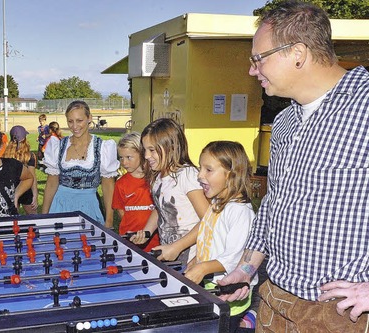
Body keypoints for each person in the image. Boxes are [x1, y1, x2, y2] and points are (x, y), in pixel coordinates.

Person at [219, 2, 369, 331]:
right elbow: (274, 202)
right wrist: (246, 268)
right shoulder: (285, 121)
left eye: (259, 58)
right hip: (274, 299)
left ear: (297, 53)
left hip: (338, 313)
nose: (252, 70)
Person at [185, 141, 257, 332]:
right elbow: (209, 236)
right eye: (201, 168)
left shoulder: (240, 212)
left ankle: (248, 320)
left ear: (232, 174)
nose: (200, 175)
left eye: (208, 170)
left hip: (229, 293)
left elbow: (236, 258)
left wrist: (204, 267)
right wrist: (197, 260)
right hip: (211, 285)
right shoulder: (217, 203)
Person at [130, 118, 209, 264]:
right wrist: (147, 232)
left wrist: (177, 247)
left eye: (152, 150)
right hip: (170, 253)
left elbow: (208, 220)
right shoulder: (158, 175)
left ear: (171, 147)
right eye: (145, 150)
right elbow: (161, 207)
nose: (146, 156)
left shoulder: (187, 175)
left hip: (192, 257)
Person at [41, 101, 119, 228]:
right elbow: (51, 183)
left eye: (79, 120)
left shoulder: (102, 147)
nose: (75, 126)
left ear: (89, 118)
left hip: (89, 206)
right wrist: (44, 216)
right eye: (70, 121)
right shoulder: (59, 146)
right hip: (60, 205)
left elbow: (108, 186)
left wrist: (109, 220)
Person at [112, 132, 159, 250]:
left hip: (154, 241)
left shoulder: (155, 180)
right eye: (121, 158)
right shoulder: (120, 183)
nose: (124, 162)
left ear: (142, 154)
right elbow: (121, 211)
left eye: (129, 157)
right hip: (129, 240)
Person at [3, 125, 39, 214]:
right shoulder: (29, 156)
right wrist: (35, 194)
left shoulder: (5, 156)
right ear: (24, 139)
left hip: (10, 190)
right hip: (26, 190)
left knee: (13, 220)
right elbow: (32, 176)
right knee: (34, 219)